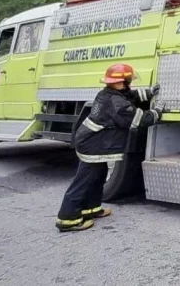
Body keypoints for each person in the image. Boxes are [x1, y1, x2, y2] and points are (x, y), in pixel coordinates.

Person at [55, 63, 161, 232]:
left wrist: (149, 93)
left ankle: (91, 208)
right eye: (127, 81)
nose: (129, 84)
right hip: (92, 144)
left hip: (94, 141)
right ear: (122, 82)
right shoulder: (116, 102)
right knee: (85, 180)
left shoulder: (110, 93)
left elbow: (131, 95)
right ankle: (68, 218)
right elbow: (137, 120)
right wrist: (157, 113)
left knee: (98, 175)